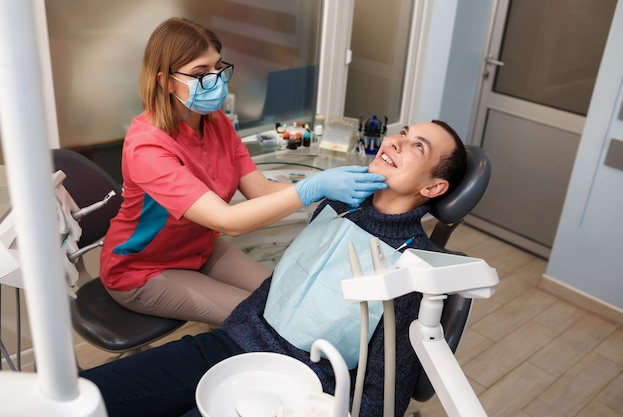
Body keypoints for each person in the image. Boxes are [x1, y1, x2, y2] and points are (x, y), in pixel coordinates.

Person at [81, 120, 467, 417]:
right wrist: (236, 333)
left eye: (418, 146)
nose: (398, 141)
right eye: (402, 133)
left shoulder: (414, 270)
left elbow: (386, 394)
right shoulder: (336, 205)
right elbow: (278, 287)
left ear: (433, 189)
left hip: (299, 386)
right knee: (83, 396)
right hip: (231, 345)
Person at [100, 17, 387, 324]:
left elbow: (260, 192)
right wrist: (313, 188)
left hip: (200, 248)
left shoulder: (216, 123)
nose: (216, 80)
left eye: (218, 67)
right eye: (201, 73)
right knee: (261, 317)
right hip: (142, 268)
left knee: (288, 293)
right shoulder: (148, 146)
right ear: (166, 82)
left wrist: (325, 186)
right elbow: (229, 221)